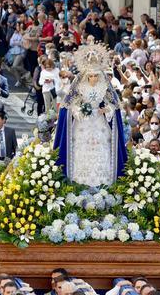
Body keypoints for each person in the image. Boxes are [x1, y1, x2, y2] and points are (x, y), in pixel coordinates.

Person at [53, 43, 128, 187]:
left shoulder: (104, 85)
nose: (93, 78)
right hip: (82, 123)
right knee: (81, 151)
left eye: (96, 75)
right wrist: (78, 111)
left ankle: (103, 184)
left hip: (100, 122)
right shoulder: (80, 84)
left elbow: (115, 105)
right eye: (91, 75)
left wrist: (106, 110)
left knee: (101, 151)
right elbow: (69, 104)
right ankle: (78, 183)